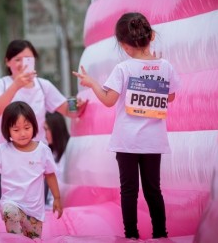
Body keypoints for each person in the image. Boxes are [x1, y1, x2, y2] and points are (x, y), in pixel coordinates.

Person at [73, 12, 180, 239]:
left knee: (129, 191)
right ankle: (161, 234)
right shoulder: (165, 66)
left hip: (127, 141)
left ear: (124, 46)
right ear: (151, 36)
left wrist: (91, 82)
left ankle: (130, 235)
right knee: (154, 190)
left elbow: (109, 101)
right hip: (153, 141)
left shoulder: (124, 69)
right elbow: (170, 98)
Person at [0, 39, 87, 203]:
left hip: (36, 160)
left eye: (28, 59)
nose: (22, 63)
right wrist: (16, 86)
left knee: (35, 216)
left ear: (34, 60)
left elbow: (67, 109)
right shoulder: (0, 84)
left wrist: (78, 103)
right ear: (7, 61)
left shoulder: (43, 85)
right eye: (17, 59)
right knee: (9, 215)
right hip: (6, 161)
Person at [0, 101, 63, 239]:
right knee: (10, 212)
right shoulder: (3, 150)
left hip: (34, 211)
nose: (23, 133)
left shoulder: (42, 150)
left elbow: (50, 174)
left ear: (34, 126)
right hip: (12, 203)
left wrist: (57, 198)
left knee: (34, 238)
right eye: (16, 130)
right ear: (8, 130)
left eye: (26, 127)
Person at [43, 111, 70, 205]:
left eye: (46, 129)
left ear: (56, 129)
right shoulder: (49, 153)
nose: (44, 134)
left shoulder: (70, 154)